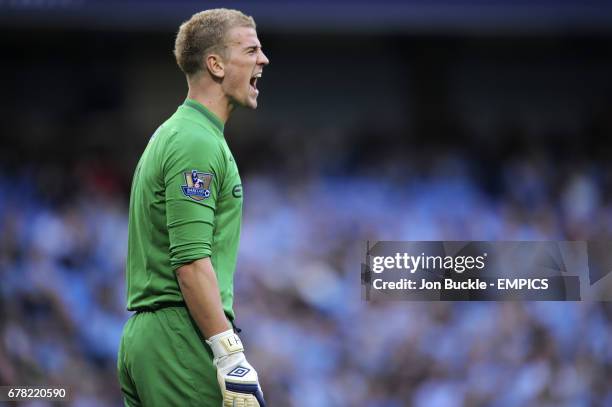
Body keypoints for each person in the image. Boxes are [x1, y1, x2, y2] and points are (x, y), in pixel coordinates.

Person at [117, 8, 269, 406]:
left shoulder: (178, 132)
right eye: (251, 49)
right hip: (180, 336)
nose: (263, 59)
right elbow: (190, 263)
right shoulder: (195, 141)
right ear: (215, 64)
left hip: (157, 338)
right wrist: (230, 355)